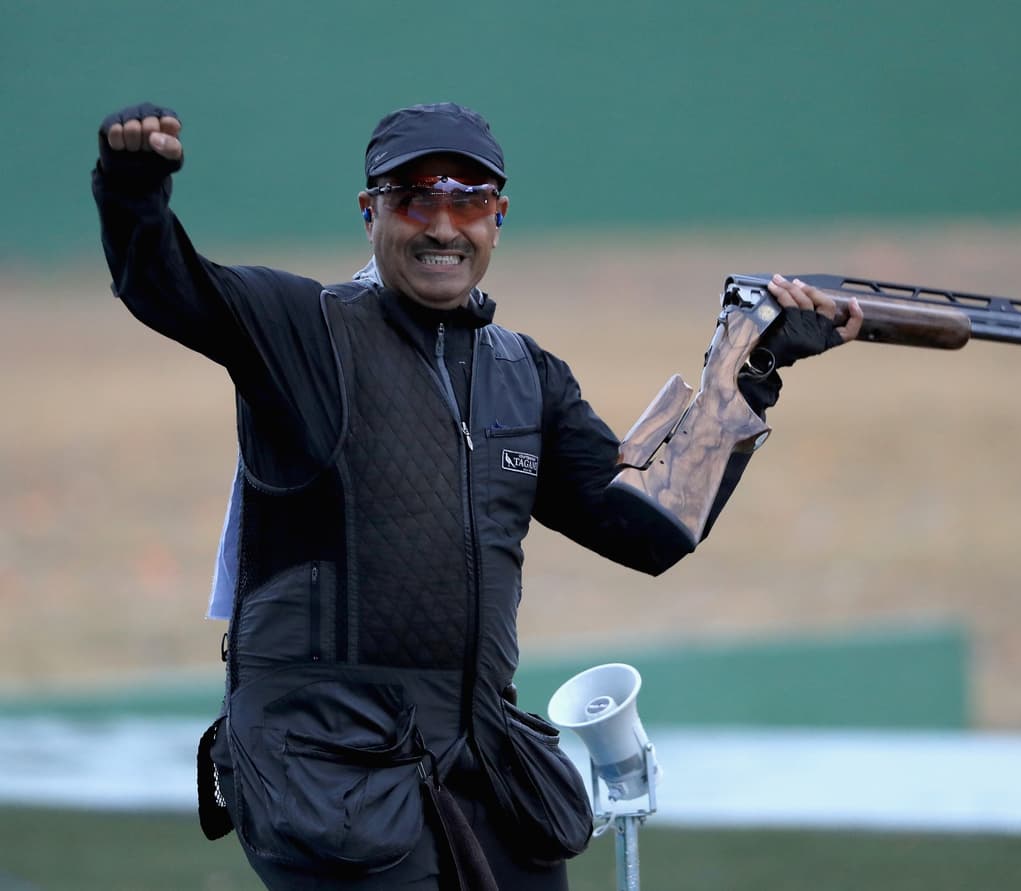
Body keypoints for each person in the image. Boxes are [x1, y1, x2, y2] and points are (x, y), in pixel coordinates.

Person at [92, 101, 863, 890]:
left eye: (468, 201)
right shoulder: (304, 330)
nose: (442, 226)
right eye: (413, 198)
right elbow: (164, 284)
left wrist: (748, 375)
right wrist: (132, 189)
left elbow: (652, 528)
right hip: (328, 774)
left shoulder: (525, 374)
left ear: (499, 218)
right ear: (369, 213)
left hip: (479, 759)